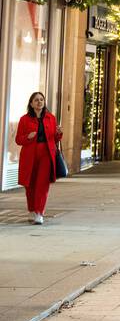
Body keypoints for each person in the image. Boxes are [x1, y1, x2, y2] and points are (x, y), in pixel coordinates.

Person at [16, 91, 61, 224]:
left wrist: (59, 133)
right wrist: (27, 137)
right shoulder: (24, 119)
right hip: (29, 155)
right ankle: (32, 209)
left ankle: (39, 213)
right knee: (29, 184)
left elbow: (54, 139)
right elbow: (18, 139)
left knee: (42, 184)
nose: (39, 102)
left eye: (41, 99)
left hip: (46, 154)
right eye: (36, 100)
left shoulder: (51, 118)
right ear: (31, 103)